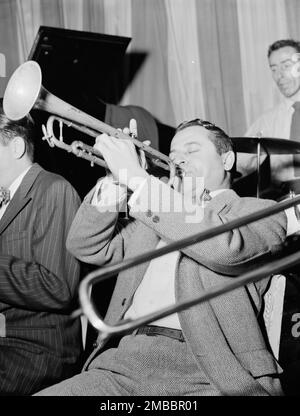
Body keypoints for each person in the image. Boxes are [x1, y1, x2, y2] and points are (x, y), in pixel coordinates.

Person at [36, 118, 287, 396]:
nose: (179, 161)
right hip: (123, 362)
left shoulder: (261, 210)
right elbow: (86, 245)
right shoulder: (151, 214)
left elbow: (224, 248)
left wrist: (139, 180)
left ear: (227, 160)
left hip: (211, 373)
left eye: (192, 151)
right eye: (173, 154)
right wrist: (116, 180)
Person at [0, 104, 83, 395]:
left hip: (37, 349)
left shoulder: (53, 189)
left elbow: (57, 287)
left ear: (17, 146)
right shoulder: (3, 200)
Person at [237, 39, 300, 194]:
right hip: (288, 202)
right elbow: (240, 161)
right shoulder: (267, 121)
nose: (279, 76)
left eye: (286, 66)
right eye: (273, 69)